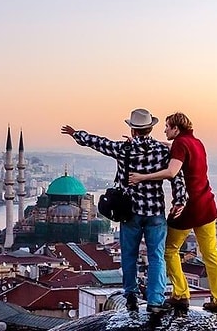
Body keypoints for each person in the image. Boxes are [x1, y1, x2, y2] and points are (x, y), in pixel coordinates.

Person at [61, 108, 187, 313]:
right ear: (150, 128)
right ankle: (155, 301)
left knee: (129, 255)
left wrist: (76, 134)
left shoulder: (124, 149)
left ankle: (131, 295)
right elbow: (177, 177)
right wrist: (179, 200)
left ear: (134, 130)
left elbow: (99, 143)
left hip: (129, 212)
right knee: (156, 256)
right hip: (155, 211)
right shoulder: (164, 151)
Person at [128, 112, 217, 315]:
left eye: (167, 126)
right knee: (211, 254)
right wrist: (147, 142)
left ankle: (181, 294)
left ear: (176, 128)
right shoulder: (196, 142)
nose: (165, 130)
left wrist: (142, 177)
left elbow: (171, 172)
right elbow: (174, 150)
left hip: (188, 207)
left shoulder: (180, 144)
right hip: (207, 205)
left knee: (168, 250)